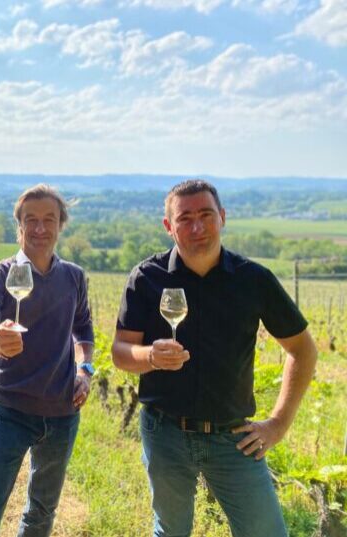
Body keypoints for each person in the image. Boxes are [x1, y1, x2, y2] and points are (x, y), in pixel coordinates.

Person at [112, 179, 318, 537]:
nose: (197, 227)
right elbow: (120, 351)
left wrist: (278, 424)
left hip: (232, 438)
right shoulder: (147, 278)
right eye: (185, 218)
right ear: (168, 227)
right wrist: (150, 356)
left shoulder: (254, 280)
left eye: (206, 215)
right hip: (165, 433)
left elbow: (303, 350)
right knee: (170, 531)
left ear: (222, 217)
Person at [0, 184, 95, 537]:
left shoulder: (73, 277)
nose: (39, 228)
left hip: (63, 414)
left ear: (60, 225)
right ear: (18, 226)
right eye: (30, 220)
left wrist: (85, 370)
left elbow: (84, 330)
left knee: (40, 516)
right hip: (10, 412)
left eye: (48, 219)